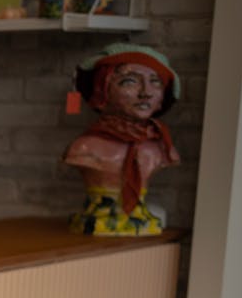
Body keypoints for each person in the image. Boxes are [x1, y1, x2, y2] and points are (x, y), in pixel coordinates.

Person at [62, 43, 181, 236]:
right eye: (129, 82)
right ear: (102, 91)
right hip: (98, 224)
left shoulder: (161, 148)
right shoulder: (84, 148)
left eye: (155, 82)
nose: (146, 92)